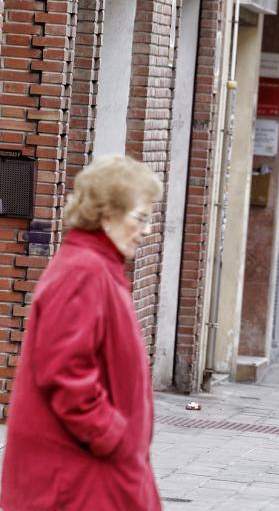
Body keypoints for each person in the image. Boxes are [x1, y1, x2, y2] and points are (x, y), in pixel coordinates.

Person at [1, 154, 163, 511]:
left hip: (86, 472)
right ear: (106, 214)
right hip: (76, 478)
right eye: (140, 218)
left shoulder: (97, 267)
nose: (147, 230)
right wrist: (113, 437)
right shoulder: (84, 272)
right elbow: (64, 370)